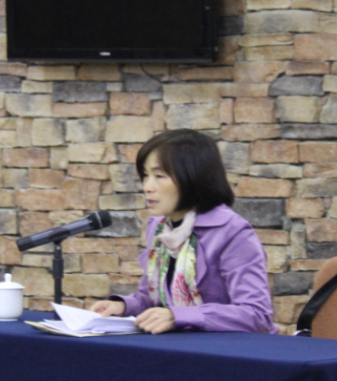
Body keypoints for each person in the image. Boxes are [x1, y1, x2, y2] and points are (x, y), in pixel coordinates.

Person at [88, 129, 276, 334]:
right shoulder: (159, 226)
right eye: (146, 175)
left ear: (193, 177)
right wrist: (123, 306)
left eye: (159, 176)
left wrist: (178, 316)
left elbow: (257, 315)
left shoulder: (233, 232)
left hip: (231, 349)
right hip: (178, 346)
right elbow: (155, 300)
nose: (148, 186)